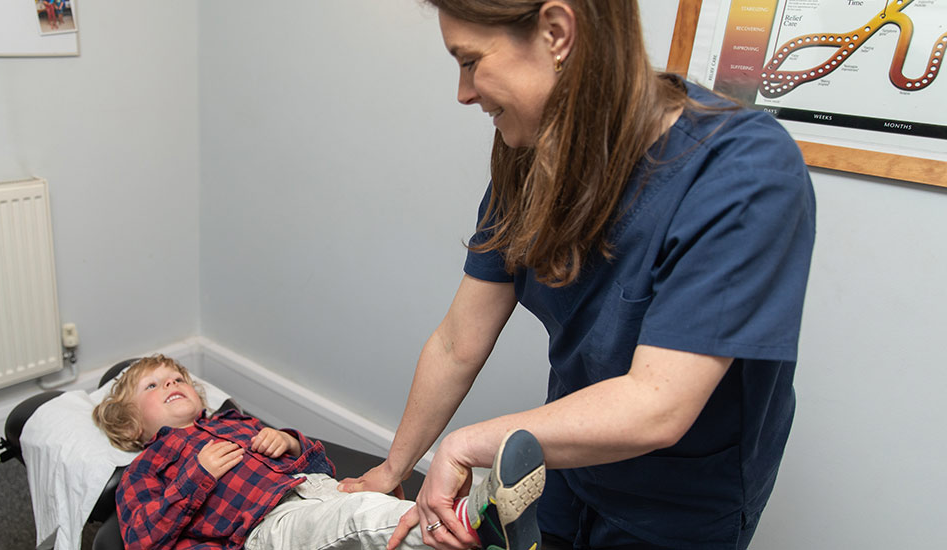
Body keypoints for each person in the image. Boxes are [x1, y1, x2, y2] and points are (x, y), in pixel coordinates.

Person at [338, 2, 816, 550]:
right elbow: (456, 343)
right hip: (566, 456)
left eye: (470, 61)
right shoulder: (532, 151)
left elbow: (657, 404)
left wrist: (466, 445)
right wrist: (393, 467)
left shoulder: (742, 172)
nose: (464, 92)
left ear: (557, 33)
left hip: (679, 499)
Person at [92, 354, 548, 550]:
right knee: (361, 519)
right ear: (133, 424)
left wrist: (289, 442)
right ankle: (476, 516)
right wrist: (197, 477)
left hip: (314, 489)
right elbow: (143, 539)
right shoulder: (146, 468)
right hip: (265, 527)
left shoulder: (234, 423)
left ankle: (472, 528)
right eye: (153, 386)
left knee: (375, 516)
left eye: (177, 379)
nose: (172, 385)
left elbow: (319, 463)